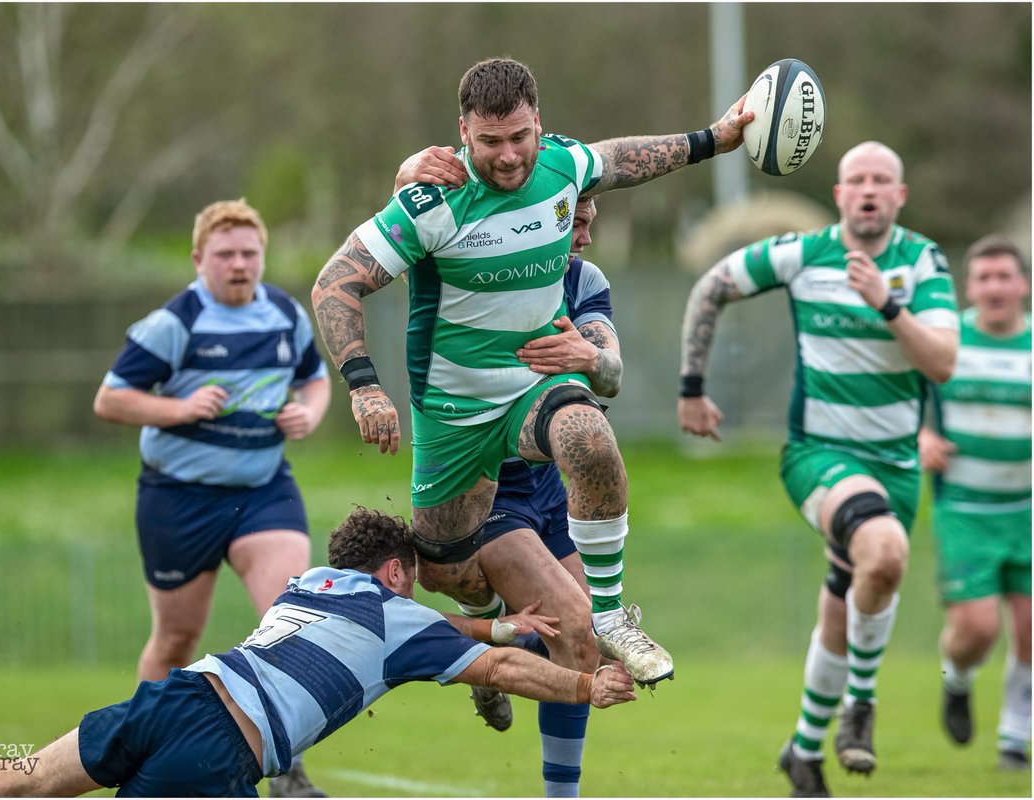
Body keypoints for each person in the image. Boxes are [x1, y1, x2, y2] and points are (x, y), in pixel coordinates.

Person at [311, 56, 752, 691]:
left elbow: (624, 158)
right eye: (491, 142)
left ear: (539, 124)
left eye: (521, 137)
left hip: (529, 389)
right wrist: (364, 384)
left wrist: (714, 138)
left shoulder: (562, 166)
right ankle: (489, 632)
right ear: (463, 132)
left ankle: (609, 615)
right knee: (445, 572)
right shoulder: (430, 204)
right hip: (452, 414)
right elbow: (335, 282)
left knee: (587, 435)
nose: (510, 156)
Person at [0, 508, 638, 798]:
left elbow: (428, 633)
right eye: (412, 580)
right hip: (221, 750)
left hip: (178, 694)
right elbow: (492, 668)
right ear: (395, 571)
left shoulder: (311, 585)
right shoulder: (396, 617)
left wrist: (497, 625)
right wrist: (585, 688)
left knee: (24, 779)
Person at [676, 141, 959, 797]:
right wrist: (691, 388)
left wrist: (888, 305)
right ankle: (861, 706)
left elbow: (942, 361)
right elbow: (711, 285)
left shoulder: (921, 261)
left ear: (899, 196)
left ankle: (803, 752)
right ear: (838, 196)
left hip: (895, 467)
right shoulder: (804, 253)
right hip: (817, 456)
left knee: (849, 596)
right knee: (883, 553)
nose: (867, 190)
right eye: (855, 179)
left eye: (881, 180)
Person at [93, 199, 331, 797]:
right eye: (225, 254)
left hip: (262, 491)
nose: (239, 264)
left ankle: (288, 767)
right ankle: (139, 753)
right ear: (199, 259)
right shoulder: (173, 324)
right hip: (179, 498)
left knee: (291, 625)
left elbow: (315, 377)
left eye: (249, 253)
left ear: (262, 256)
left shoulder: (284, 313)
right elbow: (111, 399)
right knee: (175, 641)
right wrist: (179, 408)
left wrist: (308, 412)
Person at [401, 148, 619, 796]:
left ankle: (500, 657)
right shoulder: (479, 255)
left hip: (553, 486)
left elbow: (613, 371)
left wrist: (592, 355)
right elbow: (411, 221)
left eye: (587, 221)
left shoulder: (585, 282)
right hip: (489, 491)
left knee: (587, 645)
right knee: (578, 635)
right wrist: (411, 167)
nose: (579, 234)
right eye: (569, 220)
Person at [918, 235, 1031, 770]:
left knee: (1029, 630)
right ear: (970, 287)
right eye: (984, 277)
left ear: (1023, 285)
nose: (994, 287)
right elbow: (906, 395)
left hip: (1027, 510)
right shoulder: (947, 339)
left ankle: (1015, 735)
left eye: (1004, 276)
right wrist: (922, 435)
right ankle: (958, 679)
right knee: (979, 628)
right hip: (964, 509)